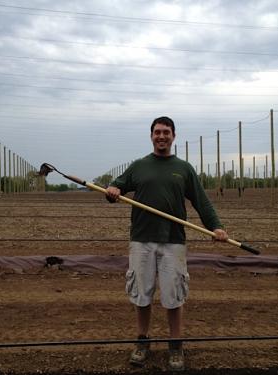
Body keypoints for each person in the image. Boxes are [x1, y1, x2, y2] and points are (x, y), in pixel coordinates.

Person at [105, 116, 228, 371]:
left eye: (166, 132)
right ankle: (142, 341)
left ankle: (175, 345)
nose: (162, 136)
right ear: (151, 136)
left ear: (174, 136)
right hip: (141, 240)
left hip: (173, 241)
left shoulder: (183, 169)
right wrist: (113, 191)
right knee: (141, 294)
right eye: (157, 132)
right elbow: (115, 188)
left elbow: (201, 202)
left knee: (174, 296)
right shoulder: (139, 166)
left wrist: (215, 226)